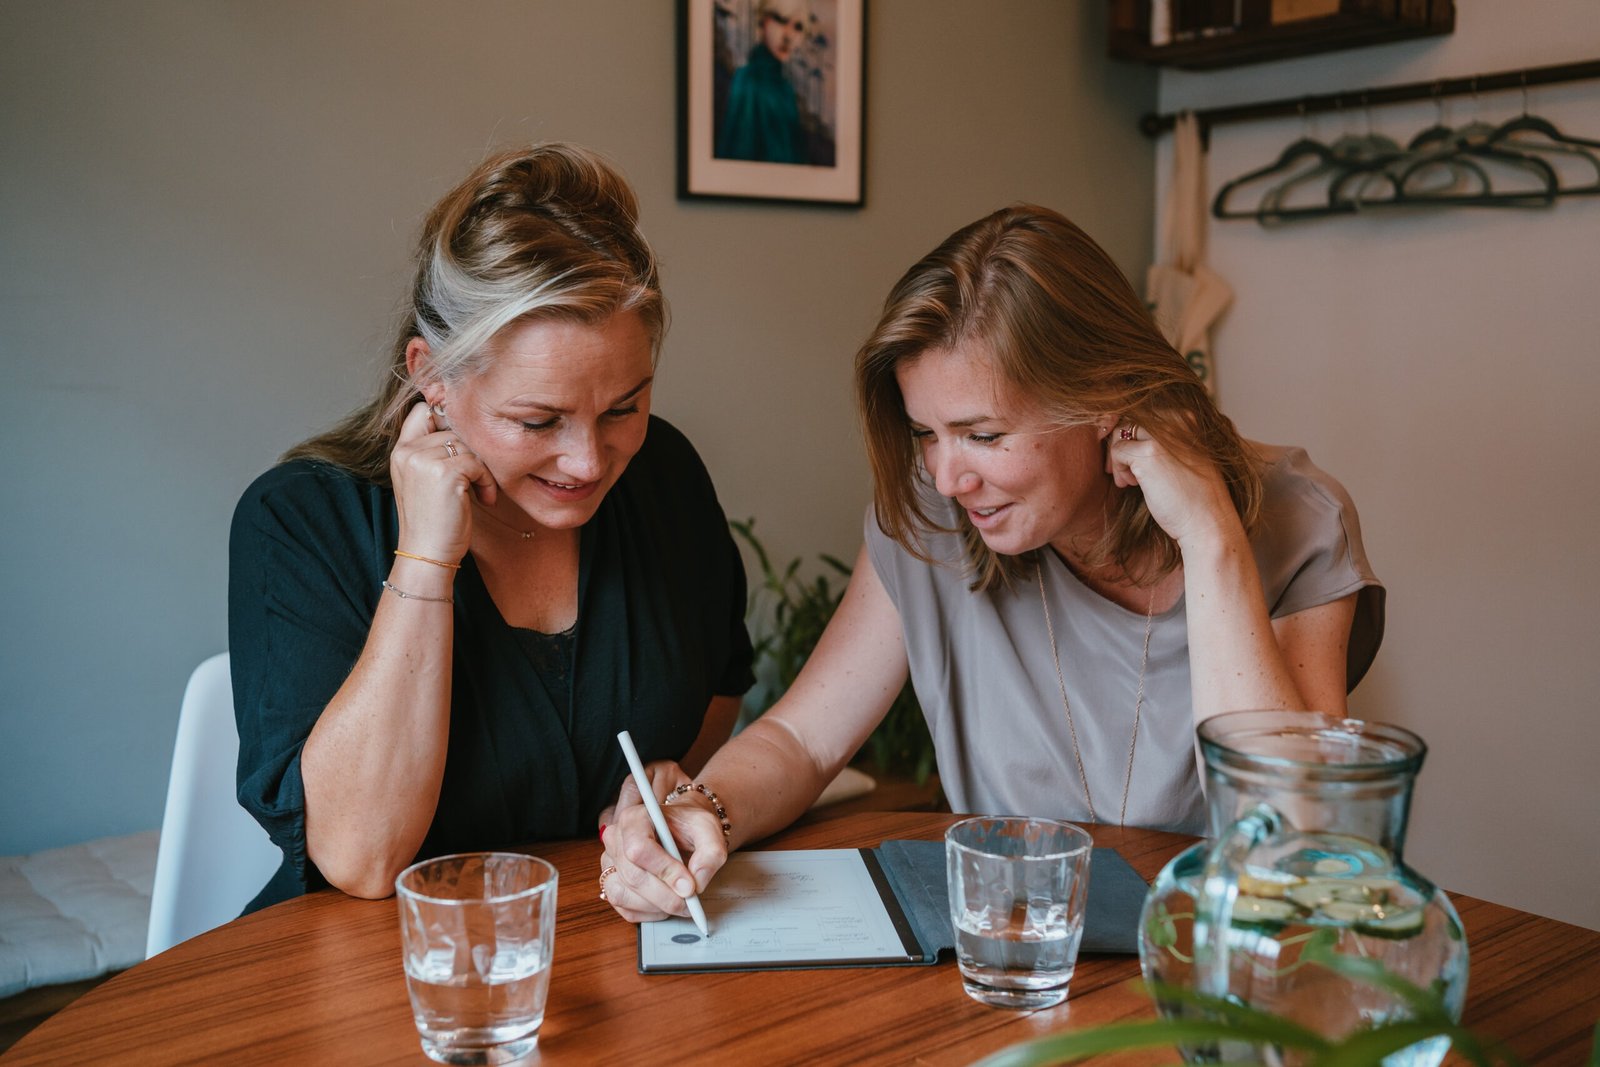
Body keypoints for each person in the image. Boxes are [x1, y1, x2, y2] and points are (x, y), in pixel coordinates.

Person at [598, 204, 1383, 924]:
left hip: (1217, 963)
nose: (948, 479)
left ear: (1104, 399)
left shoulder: (1296, 517)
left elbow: (1290, 841)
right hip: (1007, 958)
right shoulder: (935, 513)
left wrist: (1211, 538)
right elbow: (801, 742)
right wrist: (703, 809)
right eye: (926, 434)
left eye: (982, 436)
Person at [230, 143, 754, 910]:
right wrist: (424, 559)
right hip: (384, 958)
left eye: (624, 408)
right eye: (538, 420)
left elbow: (718, 689)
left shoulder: (663, 474)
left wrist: (661, 792)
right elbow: (362, 859)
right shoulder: (301, 520)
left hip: (607, 933)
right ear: (431, 375)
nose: (588, 461)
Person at [715, 0, 809, 163]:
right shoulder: (747, 80)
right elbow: (737, 156)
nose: (789, 36)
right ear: (762, 22)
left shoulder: (786, 91)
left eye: (798, 27)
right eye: (781, 20)